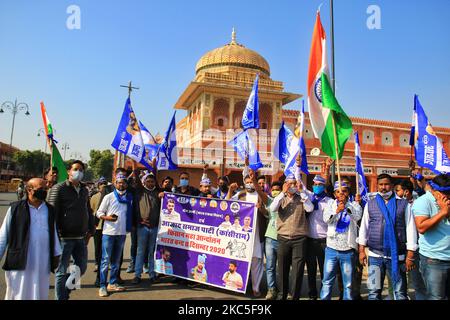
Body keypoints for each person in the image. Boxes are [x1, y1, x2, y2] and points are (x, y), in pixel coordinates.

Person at [358, 174, 417, 301]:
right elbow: (364, 227)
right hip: (375, 256)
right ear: (378, 186)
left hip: (397, 256)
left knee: (400, 292)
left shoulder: (403, 204)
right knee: (373, 291)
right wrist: (362, 250)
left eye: (386, 184)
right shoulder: (370, 204)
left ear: (392, 186)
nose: (383, 187)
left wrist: (410, 254)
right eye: (381, 184)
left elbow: (410, 228)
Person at [0, 178, 61, 300]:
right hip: (19, 260)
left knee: (39, 293)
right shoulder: (15, 208)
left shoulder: (49, 210)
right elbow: (3, 235)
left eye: (45, 189)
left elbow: (53, 233)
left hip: (42, 261)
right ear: (29, 190)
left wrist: (56, 254)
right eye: (40, 189)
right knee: (17, 293)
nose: (44, 191)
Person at [47, 160, 95, 300]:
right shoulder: (59, 188)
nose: (78, 172)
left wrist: (90, 230)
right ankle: (61, 297)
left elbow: (88, 211)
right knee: (62, 271)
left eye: (81, 170)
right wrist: (54, 237)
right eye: (75, 169)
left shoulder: (85, 190)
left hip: (81, 237)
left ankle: (65, 293)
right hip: (64, 238)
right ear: (69, 171)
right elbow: (51, 215)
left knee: (81, 268)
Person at [269, 172, 314, 300]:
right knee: (282, 269)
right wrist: (283, 193)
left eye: (294, 183)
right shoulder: (280, 197)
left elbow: (310, 209)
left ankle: (295, 296)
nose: (292, 186)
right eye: (290, 184)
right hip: (283, 238)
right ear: (285, 185)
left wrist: (302, 193)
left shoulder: (302, 197)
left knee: (298, 270)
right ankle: (282, 295)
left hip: (300, 239)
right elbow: (272, 208)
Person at [227, 164, 268, 298]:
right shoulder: (240, 195)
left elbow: (268, 213)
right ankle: (240, 285)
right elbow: (226, 205)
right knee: (241, 259)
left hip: (257, 235)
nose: (250, 184)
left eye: (251, 182)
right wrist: (229, 191)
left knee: (256, 261)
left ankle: (256, 288)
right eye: (247, 182)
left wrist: (260, 208)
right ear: (244, 183)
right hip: (242, 236)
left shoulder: (261, 195)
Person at [320, 181, 362, 300]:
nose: (341, 194)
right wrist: (337, 210)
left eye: (344, 191)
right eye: (338, 192)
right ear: (334, 194)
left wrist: (347, 207)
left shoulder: (354, 204)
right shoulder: (330, 204)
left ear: (348, 192)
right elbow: (326, 219)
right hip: (331, 249)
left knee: (348, 284)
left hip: (347, 250)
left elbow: (357, 216)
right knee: (327, 281)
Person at [412, 173, 450, 300]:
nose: (449, 196)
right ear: (435, 191)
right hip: (434, 260)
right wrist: (443, 212)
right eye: (446, 193)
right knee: (436, 297)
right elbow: (421, 227)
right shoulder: (422, 202)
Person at [96, 173, 134, 297]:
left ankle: (112, 283)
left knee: (116, 261)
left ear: (126, 184)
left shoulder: (130, 198)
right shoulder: (109, 197)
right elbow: (99, 212)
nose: (121, 184)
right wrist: (107, 217)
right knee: (105, 260)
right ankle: (102, 285)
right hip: (109, 232)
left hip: (122, 233)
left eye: (123, 182)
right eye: (119, 182)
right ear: (115, 184)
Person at [395, 179, 427, 300]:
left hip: (414, 251)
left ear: (406, 192)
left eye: (397, 190)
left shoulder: (418, 205)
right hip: (398, 249)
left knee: (418, 283)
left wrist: (411, 253)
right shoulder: (394, 205)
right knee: (398, 284)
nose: (395, 193)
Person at [304, 174, 333, 300]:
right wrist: (298, 166)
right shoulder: (310, 197)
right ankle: (312, 293)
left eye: (319, 185)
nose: (316, 186)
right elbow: (300, 185)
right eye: (314, 184)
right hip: (310, 240)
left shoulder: (330, 201)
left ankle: (324, 293)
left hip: (324, 241)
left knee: (324, 270)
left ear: (324, 186)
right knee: (311, 269)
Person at [132, 172, 161, 285]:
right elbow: (136, 177)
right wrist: (135, 165)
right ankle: (137, 275)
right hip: (142, 227)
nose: (150, 183)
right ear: (144, 182)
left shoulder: (158, 193)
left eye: (152, 181)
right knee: (140, 252)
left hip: (154, 227)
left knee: (152, 252)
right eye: (148, 181)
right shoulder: (140, 191)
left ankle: (152, 274)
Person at [264, 181, 282, 300]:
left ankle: (282, 290)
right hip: (270, 238)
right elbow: (260, 193)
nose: (275, 191)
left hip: (282, 238)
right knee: (270, 266)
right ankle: (271, 290)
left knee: (282, 267)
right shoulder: (269, 201)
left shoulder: (285, 201)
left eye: (277, 189)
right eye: (273, 189)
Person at [89, 177, 109, 286]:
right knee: (98, 247)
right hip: (97, 226)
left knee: (104, 250)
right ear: (98, 185)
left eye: (105, 183)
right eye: (101, 184)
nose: (103, 186)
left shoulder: (111, 197)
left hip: (107, 227)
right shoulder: (94, 197)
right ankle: (97, 263)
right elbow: (92, 211)